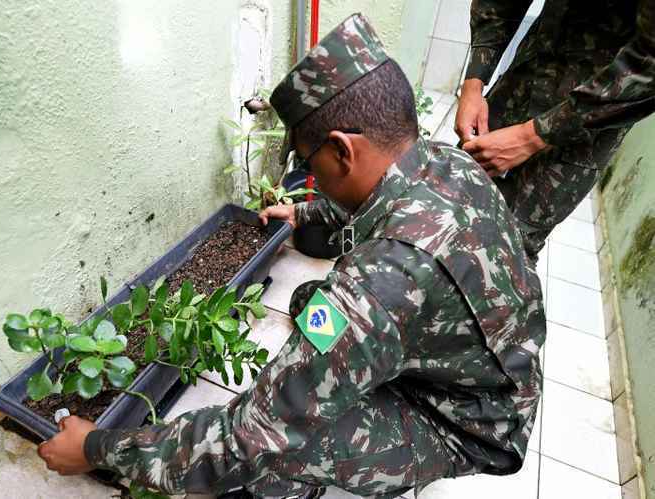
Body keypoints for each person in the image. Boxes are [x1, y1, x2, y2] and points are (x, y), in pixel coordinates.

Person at [38, 14, 546, 498]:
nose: (310, 175)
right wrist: (303, 215)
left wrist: (95, 448)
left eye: (309, 163)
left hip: (470, 422)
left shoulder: (376, 288)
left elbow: (246, 439)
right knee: (310, 302)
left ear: (343, 151)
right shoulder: (445, 161)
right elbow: (379, 203)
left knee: (283, 446)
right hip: (486, 362)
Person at [456, 0, 655, 260]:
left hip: (579, 131)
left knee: (502, 253)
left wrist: (531, 137)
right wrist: (473, 83)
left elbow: (649, 65)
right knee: (451, 203)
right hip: (517, 88)